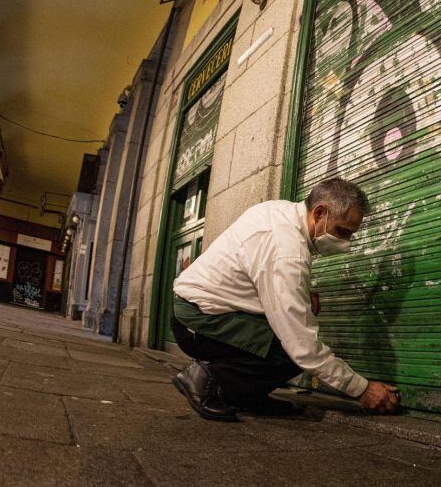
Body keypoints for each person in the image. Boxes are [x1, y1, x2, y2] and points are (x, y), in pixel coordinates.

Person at [170, 177, 401, 421]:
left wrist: (299, 293)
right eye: (342, 232)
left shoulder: (279, 212)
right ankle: (204, 378)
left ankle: (244, 395)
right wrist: (362, 389)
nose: (346, 243)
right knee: (290, 352)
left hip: (199, 309)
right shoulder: (287, 252)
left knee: (294, 328)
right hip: (196, 321)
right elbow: (302, 346)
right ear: (320, 212)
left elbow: (254, 271)